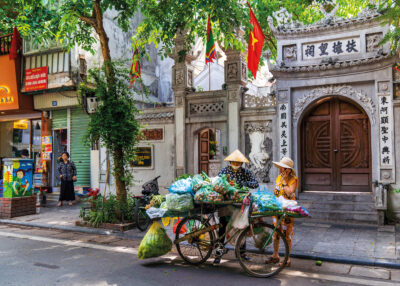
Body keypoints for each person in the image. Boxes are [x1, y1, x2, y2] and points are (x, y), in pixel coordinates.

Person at [214, 149, 259, 265]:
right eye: (234, 162)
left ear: (242, 164)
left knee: (241, 227)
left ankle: (242, 252)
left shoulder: (245, 172)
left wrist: (245, 183)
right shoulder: (224, 171)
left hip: (240, 204)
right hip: (225, 204)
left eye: (238, 163)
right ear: (230, 162)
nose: (236, 165)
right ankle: (218, 253)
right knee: (222, 227)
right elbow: (216, 183)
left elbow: (255, 183)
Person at [266, 157, 298, 267]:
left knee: (287, 234)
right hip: (277, 209)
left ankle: (287, 259)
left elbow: (289, 193)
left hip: (288, 211)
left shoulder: (293, 179)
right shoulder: (278, 178)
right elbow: (276, 192)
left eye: (282, 168)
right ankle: (275, 256)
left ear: (288, 170)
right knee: (276, 232)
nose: (280, 170)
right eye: (280, 168)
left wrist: (285, 182)